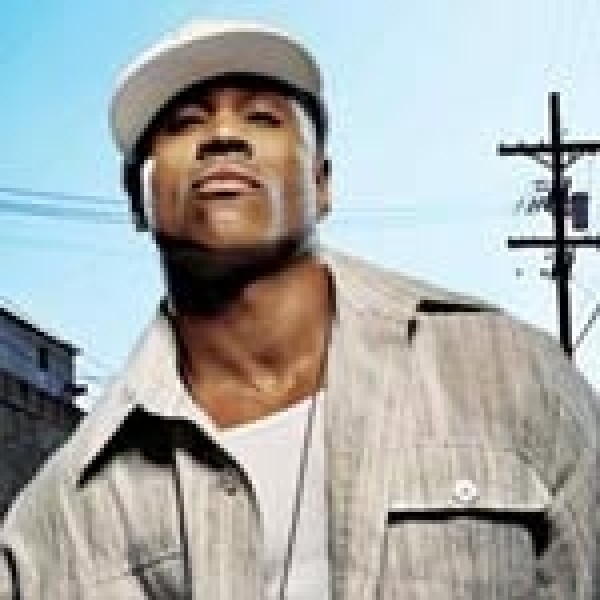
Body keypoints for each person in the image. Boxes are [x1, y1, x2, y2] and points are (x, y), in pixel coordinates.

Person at [1, 19, 598, 600]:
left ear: (322, 183)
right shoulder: (54, 524)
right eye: (184, 123)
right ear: (137, 200)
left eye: (262, 117)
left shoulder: (510, 374)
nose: (222, 136)